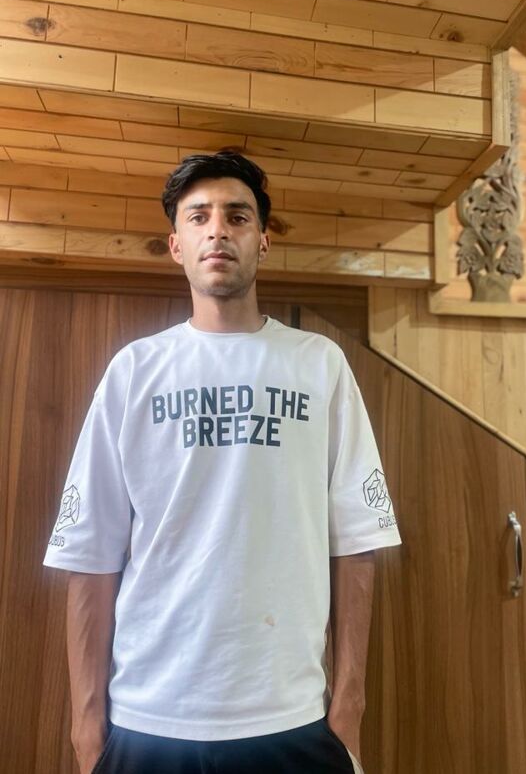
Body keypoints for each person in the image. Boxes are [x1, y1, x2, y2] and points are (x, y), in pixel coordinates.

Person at [43, 151, 402, 774]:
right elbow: (89, 553)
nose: (217, 230)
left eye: (237, 216)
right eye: (199, 217)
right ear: (176, 245)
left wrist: (348, 707)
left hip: (291, 715)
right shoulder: (134, 372)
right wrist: (85, 725)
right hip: (149, 717)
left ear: (262, 241)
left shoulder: (320, 365)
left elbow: (357, 542)